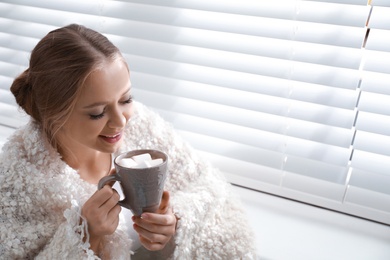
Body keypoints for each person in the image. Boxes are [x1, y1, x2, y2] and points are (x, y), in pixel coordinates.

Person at [0, 24, 257, 259]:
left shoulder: (144, 127)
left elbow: (209, 189)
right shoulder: (19, 178)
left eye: (126, 99)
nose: (120, 122)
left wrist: (174, 221)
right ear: (54, 115)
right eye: (97, 113)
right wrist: (84, 235)